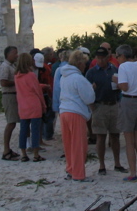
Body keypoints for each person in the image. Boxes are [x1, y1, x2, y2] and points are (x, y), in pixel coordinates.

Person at [85, 47, 127, 175]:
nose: (100, 60)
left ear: (107, 58)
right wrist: (93, 106)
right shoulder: (91, 72)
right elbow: (86, 91)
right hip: (100, 105)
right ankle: (102, 165)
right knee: (100, 137)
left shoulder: (114, 69)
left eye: (102, 57)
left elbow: (121, 87)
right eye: (98, 57)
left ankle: (117, 163)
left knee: (115, 135)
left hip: (114, 104)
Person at [114, 45, 137, 182]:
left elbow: (124, 86)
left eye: (117, 56)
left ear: (122, 56)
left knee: (129, 141)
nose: (117, 59)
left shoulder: (123, 67)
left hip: (129, 101)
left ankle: (133, 172)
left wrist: (116, 81)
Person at [59, 50, 96, 182]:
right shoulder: (79, 78)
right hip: (76, 113)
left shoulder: (64, 77)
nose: (85, 66)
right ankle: (79, 174)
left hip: (64, 111)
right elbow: (89, 98)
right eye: (84, 63)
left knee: (68, 144)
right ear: (80, 63)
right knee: (79, 145)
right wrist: (92, 88)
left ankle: (70, 169)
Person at [14, 53, 46, 162]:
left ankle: (23, 154)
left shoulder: (16, 76)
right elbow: (37, 90)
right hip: (34, 105)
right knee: (35, 130)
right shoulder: (31, 75)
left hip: (23, 106)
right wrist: (43, 105)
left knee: (23, 130)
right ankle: (36, 154)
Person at [0, 45, 20, 161]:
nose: (16, 55)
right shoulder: (5, 67)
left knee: (13, 122)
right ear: (8, 54)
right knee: (11, 122)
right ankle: (6, 150)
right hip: (9, 96)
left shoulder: (12, 66)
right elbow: (3, 82)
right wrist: (18, 81)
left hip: (14, 95)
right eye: (14, 53)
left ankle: (8, 149)